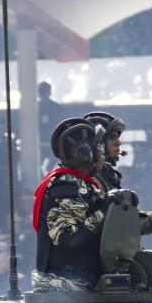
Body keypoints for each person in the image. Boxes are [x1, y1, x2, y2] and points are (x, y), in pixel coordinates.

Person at [31, 119, 125, 291]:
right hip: (65, 289)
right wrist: (104, 210)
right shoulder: (65, 187)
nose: (103, 155)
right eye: (99, 150)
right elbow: (71, 240)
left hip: (79, 284)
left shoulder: (81, 185)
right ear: (87, 155)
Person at [83, 111, 152, 236]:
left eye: (118, 138)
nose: (118, 143)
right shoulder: (86, 181)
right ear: (97, 144)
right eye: (112, 138)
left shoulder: (107, 176)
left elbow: (129, 220)